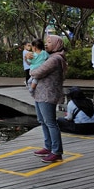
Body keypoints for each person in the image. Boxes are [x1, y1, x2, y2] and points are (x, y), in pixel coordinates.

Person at [30, 35, 67, 164]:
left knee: (50, 122)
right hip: (40, 93)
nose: (46, 44)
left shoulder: (55, 59)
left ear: (57, 44)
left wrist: (31, 71)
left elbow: (37, 72)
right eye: (46, 42)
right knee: (43, 121)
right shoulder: (50, 57)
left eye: (50, 42)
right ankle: (48, 147)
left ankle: (56, 152)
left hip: (48, 94)